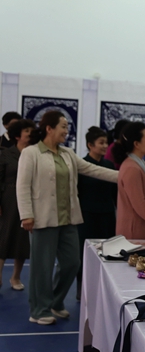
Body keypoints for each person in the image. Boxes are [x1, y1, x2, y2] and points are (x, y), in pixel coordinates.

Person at [16, 111, 118, 326]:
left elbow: (93, 170)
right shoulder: (31, 153)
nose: (66, 130)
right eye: (63, 126)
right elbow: (22, 185)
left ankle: (55, 301)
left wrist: (125, 176)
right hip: (42, 218)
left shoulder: (68, 153)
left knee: (72, 263)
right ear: (49, 128)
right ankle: (39, 310)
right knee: (42, 268)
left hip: (69, 218)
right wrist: (26, 215)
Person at [76, 126, 118, 296]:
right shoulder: (82, 165)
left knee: (108, 252)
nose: (105, 146)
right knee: (84, 253)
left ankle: (104, 288)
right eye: (101, 143)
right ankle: (82, 287)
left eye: (106, 142)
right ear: (90, 145)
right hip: (86, 215)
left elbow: (115, 192)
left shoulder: (109, 165)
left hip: (107, 215)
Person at [0, 119, 35, 290]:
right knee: (4, 237)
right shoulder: (5, 154)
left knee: (22, 240)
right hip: (8, 199)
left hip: (28, 200)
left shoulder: (34, 154)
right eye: (26, 131)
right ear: (17, 136)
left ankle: (16, 277)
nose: (30, 133)